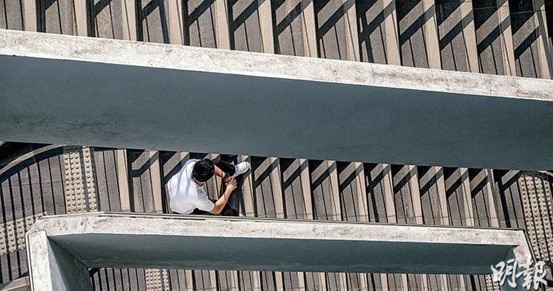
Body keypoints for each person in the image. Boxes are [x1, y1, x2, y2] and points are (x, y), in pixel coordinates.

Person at [168, 157, 250, 216]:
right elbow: (216, 209)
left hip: (179, 196)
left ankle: (233, 171)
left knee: (215, 162)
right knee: (224, 207)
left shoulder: (191, 164)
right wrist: (229, 189)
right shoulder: (196, 195)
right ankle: (237, 217)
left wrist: (225, 176)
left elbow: (212, 166)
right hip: (184, 211)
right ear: (206, 180)